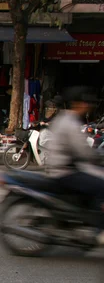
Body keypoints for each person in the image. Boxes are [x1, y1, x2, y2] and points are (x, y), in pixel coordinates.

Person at [47, 86, 104, 242]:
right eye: (86, 103)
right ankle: (99, 231)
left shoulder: (64, 119)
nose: (88, 107)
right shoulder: (70, 123)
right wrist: (97, 158)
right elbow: (82, 150)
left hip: (64, 167)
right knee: (100, 186)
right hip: (64, 171)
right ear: (78, 104)